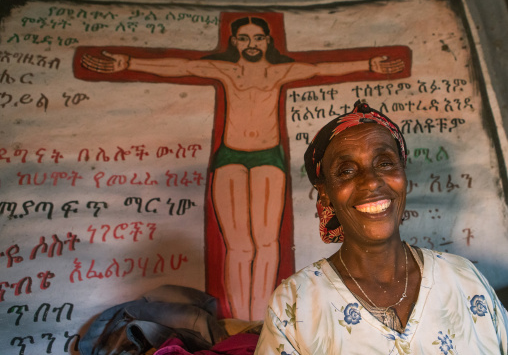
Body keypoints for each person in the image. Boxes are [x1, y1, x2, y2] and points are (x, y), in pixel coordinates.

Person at [80, 16, 405, 321]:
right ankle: (240, 319)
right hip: (230, 155)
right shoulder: (226, 70)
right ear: (235, 41)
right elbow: (182, 66)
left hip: (267, 157)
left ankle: (263, 319)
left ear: (267, 41)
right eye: (244, 38)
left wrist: (369, 65)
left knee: (266, 243)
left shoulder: (278, 72)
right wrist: (127, 63)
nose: (252, 43)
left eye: (258, 37)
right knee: (237, 245)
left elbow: (321, 67)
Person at [254, 100, 508, 354]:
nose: (372, 182)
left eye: (385, 163)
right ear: (325, 194)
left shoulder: (464, 279)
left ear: (403, 175)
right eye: (347, 170)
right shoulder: (295, 304)